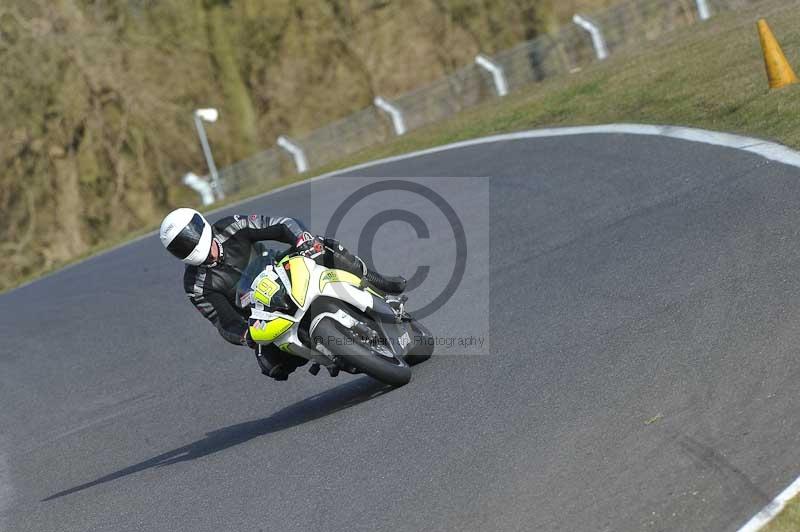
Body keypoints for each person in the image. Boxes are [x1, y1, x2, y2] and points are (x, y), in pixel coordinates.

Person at [159, 208, 406, 381]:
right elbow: (223, 321)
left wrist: (302, 239)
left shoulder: (231, 226)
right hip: (262, 311)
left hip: (280, 268)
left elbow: (280, 224)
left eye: (189, 237)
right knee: (272, 366)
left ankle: (379, 284)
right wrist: (246, 336)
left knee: (326, 247)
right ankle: (333, 355)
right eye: (181, 244)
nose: (189, 244)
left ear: (201, 225)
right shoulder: (196, 285)